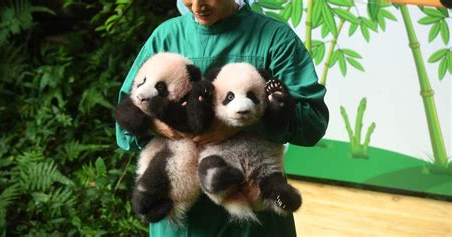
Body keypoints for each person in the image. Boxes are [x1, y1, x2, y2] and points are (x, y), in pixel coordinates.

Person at [116, 0, 329, 236]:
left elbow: (312, 122)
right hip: (182, 218)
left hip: (253, 214)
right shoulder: (166, 36)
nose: (197, 6)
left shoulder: (274, 37)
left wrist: (244, 122)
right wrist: (160, 124)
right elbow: (124, 125)